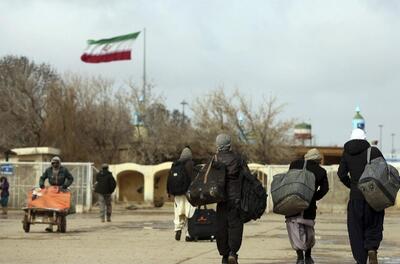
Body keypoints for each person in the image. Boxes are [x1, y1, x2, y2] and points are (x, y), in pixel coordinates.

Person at [338, 128, 384, 264]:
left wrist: (352, 186)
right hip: (374, 197)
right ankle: (372, 248)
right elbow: (384, 171)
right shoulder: (373, 151)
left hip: (355, 198)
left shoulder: (346, 153)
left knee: (355, 229)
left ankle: (360, 259)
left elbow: (341, 174)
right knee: (374, 224)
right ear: (365, 138)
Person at [286, 148, 329, 264]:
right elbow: (325, 189)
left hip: (292, 203)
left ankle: (300, 257)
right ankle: (308, 256)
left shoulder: (294, 164)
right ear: (318, 160)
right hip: (309, 206)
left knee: (295, 229)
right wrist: (314, 197)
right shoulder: (321, 171)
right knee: (308, 230)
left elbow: (288, 181)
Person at [215, 133, 248, 264]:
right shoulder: (238, 160)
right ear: (229, 145)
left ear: (218, 145)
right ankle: (233, 253)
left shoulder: (214, 159)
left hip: (220, 199)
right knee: (235, 227)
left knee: (221, 227)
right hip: (235, 199)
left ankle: (224, 256)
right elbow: (247, 178)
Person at [39, 156, 74, 232]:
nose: (55, 164)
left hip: (61, 189)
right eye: (53, 163)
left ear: (59, 163)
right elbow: (42, 177)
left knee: (61, 208)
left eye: (56, 163)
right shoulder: (48, 170)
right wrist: (41, 184)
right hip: (51, 189)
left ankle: (60, 225)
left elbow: (71, 178)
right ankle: (50, 226)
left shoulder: (64, 170)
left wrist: (66, 185)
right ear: (51, 163)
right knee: (50, 207)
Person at [168, 147, 196, 241]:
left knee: (178, 212)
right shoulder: (190, 164)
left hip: (177, 194)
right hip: (188, 194)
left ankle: (178, 229)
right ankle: (188, 234)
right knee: (189, 213)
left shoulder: (175, 164)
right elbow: (194, 179)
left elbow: (169, 179)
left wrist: (169, 192)